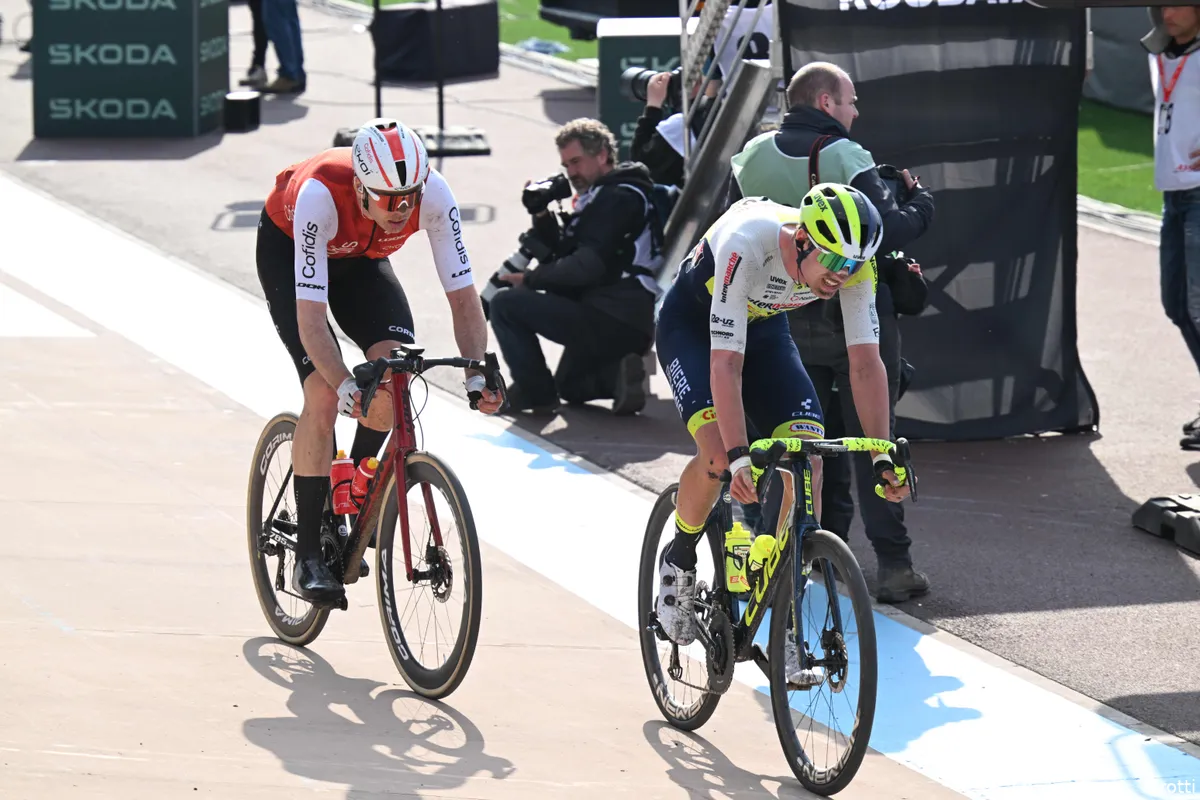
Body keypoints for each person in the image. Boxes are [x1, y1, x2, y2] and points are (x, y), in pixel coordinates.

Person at [653, 184, 911, 676]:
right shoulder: (748, 242)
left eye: (853, 265)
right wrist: (738, 453)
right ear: (802, 241)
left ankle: (779, 602)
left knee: (808, 458)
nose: (842, 274)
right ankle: (680, 555)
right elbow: (725, 365)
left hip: (766, 330)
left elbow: (865, 363)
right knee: (718, 460)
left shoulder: (855, 262)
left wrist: (882, 454)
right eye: (832, 259)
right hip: (693, 328)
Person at [257, 117, 503, 605]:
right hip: (292, 252)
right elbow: (312, 322)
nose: (401, 210)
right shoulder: (320, 195)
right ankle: (308, 552)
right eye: (388, 200)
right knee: (325, 394)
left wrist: (479, 372)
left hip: (363, 264)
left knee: (395, 379)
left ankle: (353, 489)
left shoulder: (432, 195)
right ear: (360, 187)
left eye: (408, 198)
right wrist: (344, 382)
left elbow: (463, 298)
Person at [729, 60, 935, 603]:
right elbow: (883, 230)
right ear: (825, 103)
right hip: (853, 311)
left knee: (808, 447)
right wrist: (922, 203)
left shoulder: (749, 155)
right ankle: (893, 564)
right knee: (872, 433)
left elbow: (738, 219)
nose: (854, 111)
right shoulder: (847, 155)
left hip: (786, 315)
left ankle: (821, 550)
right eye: (849, 101)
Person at [489, 118, 659, 416]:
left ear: (603, 155)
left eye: (576, 162)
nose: (571, 173)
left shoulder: (618, 198)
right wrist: (541, 214)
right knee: (569, 385)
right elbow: (568, 256)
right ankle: (618, 376)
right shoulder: (605, 195)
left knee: (505, 304)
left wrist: (531, 279)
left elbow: (585, 267)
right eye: (566, 165)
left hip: (611, 316)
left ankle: (534, 393)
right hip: (621, 321)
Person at [1141, 7, 1200, 448]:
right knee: (1177, 305)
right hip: (1172, 195)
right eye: (1163, 3)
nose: (1169, 12)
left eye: (1181, 2)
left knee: (1198, 306)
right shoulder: (1157, 51)